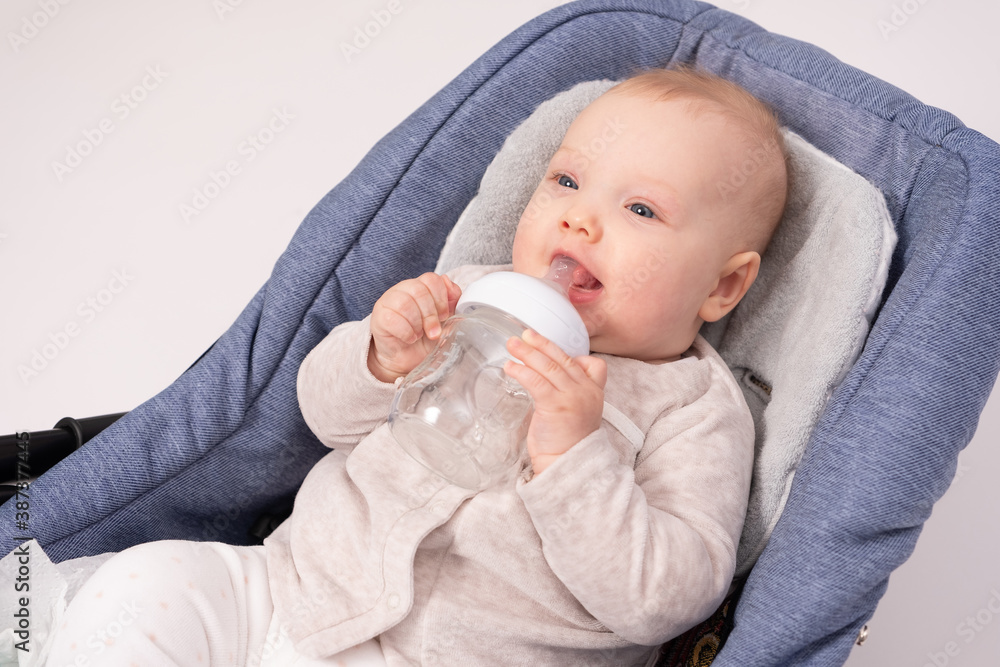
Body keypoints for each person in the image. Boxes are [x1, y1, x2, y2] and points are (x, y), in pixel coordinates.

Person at [42, 66, 788, 666]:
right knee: (147, 582)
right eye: (566, 181)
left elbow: (663, 598)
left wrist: (573, 457)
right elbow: (322, 416)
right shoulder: (471, 293)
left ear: (722, 286)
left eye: (641, 210)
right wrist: (381, 356)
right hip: (294, 590)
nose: (579, 218)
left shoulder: (693, 409)